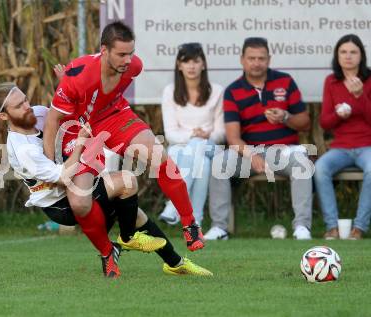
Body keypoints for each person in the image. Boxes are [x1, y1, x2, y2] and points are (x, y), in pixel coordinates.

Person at [0, 82, 213, 277]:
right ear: (3, 116)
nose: (27, 107)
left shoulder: (40, 114)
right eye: (19, 106)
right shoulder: (23, 150)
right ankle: (127, 239)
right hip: (61, 205)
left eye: (25, 99)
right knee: (126, 181)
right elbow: (64, 176)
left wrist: (69, 85)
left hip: (76, 188)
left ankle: (174, 264)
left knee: (135, 213)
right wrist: (82, 143)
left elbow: (69, 114)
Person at [43, 21, 204, 251]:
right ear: (104, 50)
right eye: (121, 54)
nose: (127, 60)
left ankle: (190, 225)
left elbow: (109, 92)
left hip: (116, 116)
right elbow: (51, 122)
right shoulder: (78, 75)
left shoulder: (134, 66)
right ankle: (111, 248)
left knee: (160, 158)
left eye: (131, 53)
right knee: (80, 198)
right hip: (82, 128)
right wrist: (50, 168)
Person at [210, 37, 313, 240]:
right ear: (242, 60)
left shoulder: (285, 81)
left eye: (261, 58)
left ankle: (302, 227)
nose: (256, 63)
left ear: (269, 59)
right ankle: (219, 228)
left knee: (302, 163)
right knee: (219, 164)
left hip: (284, 150)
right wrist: (252, 154)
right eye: (251, 58)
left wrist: (286, 117)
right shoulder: (233, 91)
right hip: (249, 153)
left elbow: (305, 123)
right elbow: (233, 137)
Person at [157, 43, 225, 234]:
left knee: (199, 148)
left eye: (196, 61)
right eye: (186, 62)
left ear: (203, 64)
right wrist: (193, 135)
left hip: (210, 146)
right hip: (180, 148)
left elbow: (221, 133)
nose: (191, 66)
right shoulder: (170, 92)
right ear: (179, 65)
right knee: (201, 164)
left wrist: (206, 135)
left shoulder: (217, 91)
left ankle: (174, 203)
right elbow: (170, 133)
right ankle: (196, 226)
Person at [315, 34, 371, 240]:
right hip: (341, 147)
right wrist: (339, 115)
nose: (348, 56)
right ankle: (332, 227)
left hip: (367, 145)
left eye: (353, 52)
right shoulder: (332, 81)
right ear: (337, 56)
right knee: (320, 168)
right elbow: (325, 123)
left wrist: (360, 96)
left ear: (361, 56)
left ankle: (359, 228)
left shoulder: (369, 80)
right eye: (343, 52)